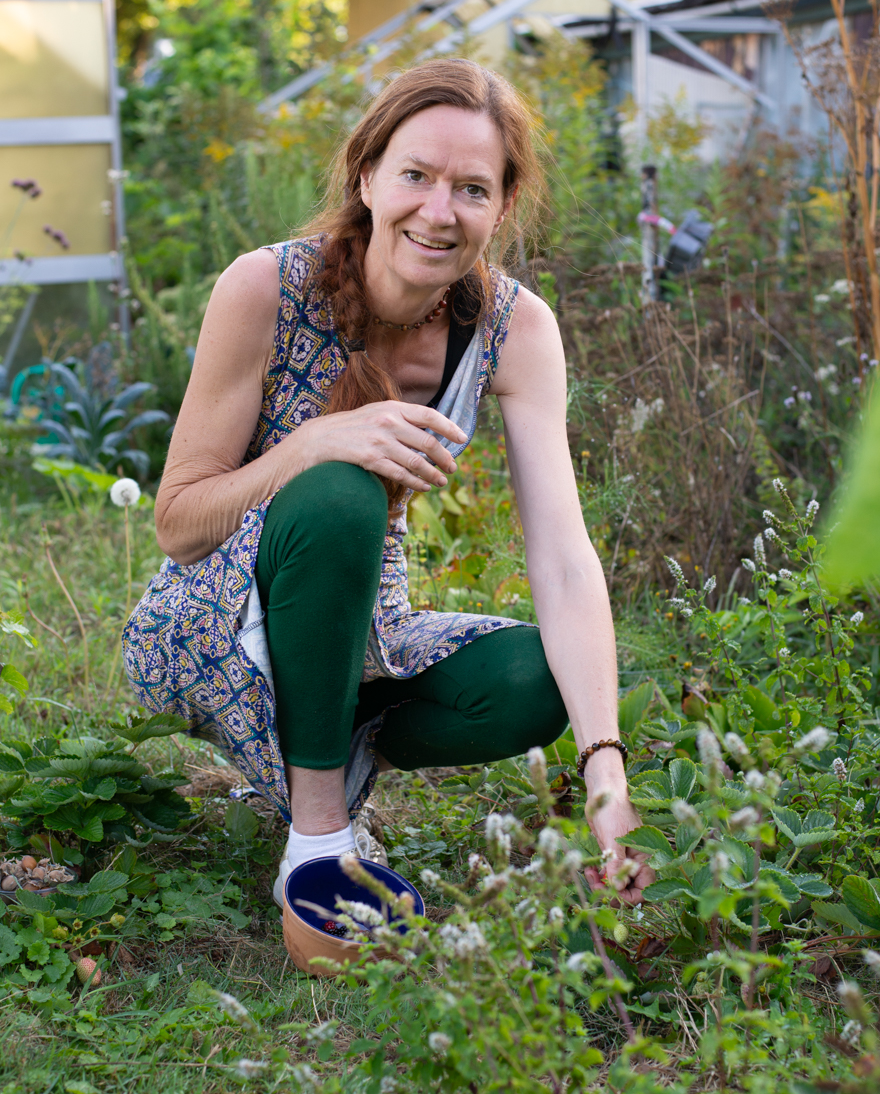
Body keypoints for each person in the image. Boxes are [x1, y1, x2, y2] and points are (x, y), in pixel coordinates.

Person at [122, 58, 655, 906]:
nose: (439, 212)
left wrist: (606, 781)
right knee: (340, 487)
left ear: (504, 205)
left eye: (472, 189)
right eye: (416, 175)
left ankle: (317, 740)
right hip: (205, 625)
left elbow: (561, 555)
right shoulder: (265, 287)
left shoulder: (515, 330)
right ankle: (320, 840)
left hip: (363, 631)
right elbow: (179, 524)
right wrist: (318, 442)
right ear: (367, 176)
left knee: (536, 682)